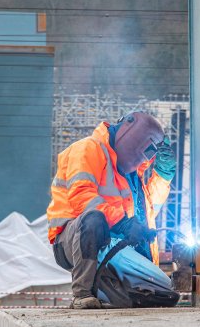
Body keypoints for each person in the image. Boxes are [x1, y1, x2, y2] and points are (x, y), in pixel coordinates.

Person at [47, 111, 177, 309]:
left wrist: (163, 175)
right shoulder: (88, 149)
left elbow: (148, 210)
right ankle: (82, 294)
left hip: (111, 243)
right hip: (73, 239)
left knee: (163, 293)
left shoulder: (130, 174)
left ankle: (113, 294)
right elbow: (82, 196)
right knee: (94, 218)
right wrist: (122, 223)